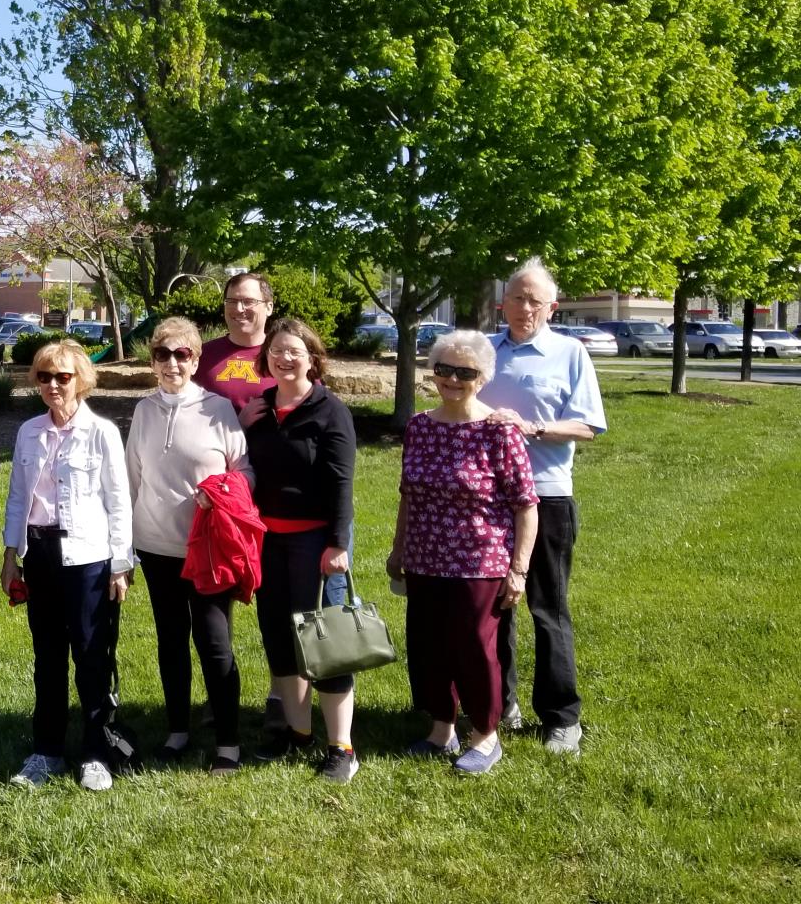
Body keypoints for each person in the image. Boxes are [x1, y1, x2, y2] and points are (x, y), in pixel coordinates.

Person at [389, 330, 539, 774]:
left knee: (474, 648)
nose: (453, 379)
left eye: (465, 372)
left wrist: (519, 570)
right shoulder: (419, 425)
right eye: (444, 370)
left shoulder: (499, 432)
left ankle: (485, 736)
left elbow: (526, 504)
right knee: (428, 647)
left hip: (480, 560)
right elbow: (408, 494)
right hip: (424, 557)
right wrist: (399, 549)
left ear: (483, 377)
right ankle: (441, 729)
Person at [479, 257, 606, 755]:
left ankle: (560, 717)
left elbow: (589, 425)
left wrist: (531, 428)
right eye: (517, 297)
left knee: (547, 607)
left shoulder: (569, 353)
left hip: (547, 495)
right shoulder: (485, 351)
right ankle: (498, 703)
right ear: (502, 303)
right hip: (488, 500)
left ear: (552, 306)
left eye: (535, 300)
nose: (524, 307)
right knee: (494, 607)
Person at [0, 339, 134, 791]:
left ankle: (96, 751)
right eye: (44, 377)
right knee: (48, 657)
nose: (54, 385)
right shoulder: (28, 432)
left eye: (63, 377)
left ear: (82, 381)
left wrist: (120, 564)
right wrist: (9, 555)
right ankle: (47, 751)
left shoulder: (102, 433)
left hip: (89, 560)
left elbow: (119, 502)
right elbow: (18, 497)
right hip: (39, 555)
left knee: (93, 656)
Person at [125, 317, 250, 774]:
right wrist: (126, 545)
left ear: (196, 360)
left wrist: (218, 491)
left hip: (208, 550)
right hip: (156, 547)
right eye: (163, 354)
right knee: (171, 641)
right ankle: (177, 730)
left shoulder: (217, 410)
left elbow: (245, 472)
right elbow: (130, 480)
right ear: (153, 360)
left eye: (182, 355)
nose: (173, 363)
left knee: (215, 644)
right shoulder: (143, 411)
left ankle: (229, 743)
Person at [242, 318, 360, 782]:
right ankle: (298, 732)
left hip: (317, 542)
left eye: (295, 351)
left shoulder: (330, 411)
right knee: (280, 634)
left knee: (327, 642)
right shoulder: (259, 409)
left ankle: (341, 746)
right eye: (277, 351)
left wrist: (336, 543)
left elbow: (341, 482)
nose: (285, 358)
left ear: (313, 357)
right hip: (268, 540)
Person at [195, 272, 274, 412]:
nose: (238, 309)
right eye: (231, 301)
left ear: (269, 307)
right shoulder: (201, 356)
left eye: (248, 301)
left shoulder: (285, 356)